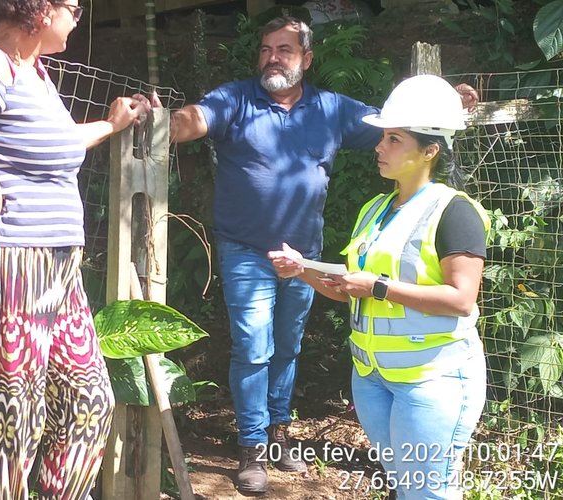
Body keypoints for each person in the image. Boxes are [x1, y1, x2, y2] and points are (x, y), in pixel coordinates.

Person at [159, 15, 477, 494]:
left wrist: (444, 105)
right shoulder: (237, 98)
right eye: (266, 49)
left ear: (306, 59)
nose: (272, 58)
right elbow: (196, 119)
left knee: (287, 348)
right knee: (253, 347)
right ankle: (252, 447)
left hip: (304, 256)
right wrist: (163, 122)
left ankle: (278, 431)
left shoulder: (331, 109)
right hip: (247, 251)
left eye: (284, 50)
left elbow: (400, 131)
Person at [0, 1, 151, 498]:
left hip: (55, 266)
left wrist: (111, 124)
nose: (77, 19)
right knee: (16, 409)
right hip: (8, 260)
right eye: (74, 8)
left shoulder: (35, 74)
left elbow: (56, 145)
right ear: (42, 9)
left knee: (90, 399)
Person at [268, 74, 489, 500]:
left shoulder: (454, 211)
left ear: (429, 151)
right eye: (382, 137)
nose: (378, 147)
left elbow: (462, 300)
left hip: (433, 379)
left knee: (429, 492)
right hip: (373, 378)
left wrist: (379, 288)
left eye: (393, 139)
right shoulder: (374, 209)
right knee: (405, 490)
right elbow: (351, 289)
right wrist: (303, 270)